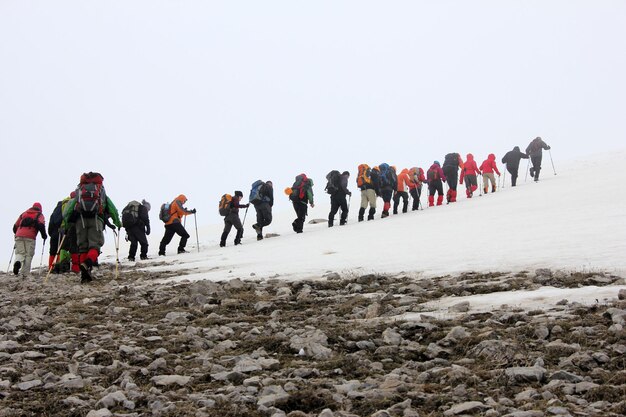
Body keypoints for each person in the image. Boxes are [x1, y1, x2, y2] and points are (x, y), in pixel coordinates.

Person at [63, 172, 121, 283]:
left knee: (83, 247)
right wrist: (117, 222)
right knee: (95, 246)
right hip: (96, 220)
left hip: (80, 221)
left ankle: (85, 275)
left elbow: (69, 208)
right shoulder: (100, 191)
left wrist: (67, 224)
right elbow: (112, 208)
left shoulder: (80, 191)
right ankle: (87, 264)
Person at [12, 202, 47, 276]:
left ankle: (17, 262)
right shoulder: (39, 215)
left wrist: (17, 233)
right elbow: (41, 225)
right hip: (30, 237)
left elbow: (15, 226)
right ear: (40, 209)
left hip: (19, 235)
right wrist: (44, 236)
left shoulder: (24, 214)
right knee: (28, 255)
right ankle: (25, 273)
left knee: (20, 253)